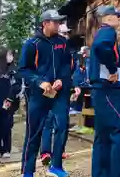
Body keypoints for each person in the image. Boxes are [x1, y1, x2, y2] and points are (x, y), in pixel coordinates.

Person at [18, 9, 73, 177]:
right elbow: (23, 70)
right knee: (34, 131)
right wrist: (39, 82)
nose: (58, 24)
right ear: (45, 23)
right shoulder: (32, 44)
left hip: (59, 93)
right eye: (55, 22)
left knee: (62, 126)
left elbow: (68, 65)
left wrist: (62, 79)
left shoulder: (63, 43)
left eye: (59, 22)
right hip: (38, 94)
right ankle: (27, 170)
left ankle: (56, 166)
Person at [89, 5, 120, 177]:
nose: (119, 20)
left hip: (100, 91)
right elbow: (101, 47)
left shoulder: (100, 32)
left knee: (102, 136)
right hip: (108, 90)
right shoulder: (107, 32)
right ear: (109, 18)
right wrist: (113, 68)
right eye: (117, 16)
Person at [40, 23, 78, 166]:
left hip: (64, 90)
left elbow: (71, 71)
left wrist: (74, 86)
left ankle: (59, 150)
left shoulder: (69, 51)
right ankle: (45, 152)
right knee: (48, 122)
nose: (65, 36)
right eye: (62, 33)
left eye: (66, 34)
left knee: (62, 123)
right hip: (49, 89)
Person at [0, 48, 22, 161]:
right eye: (9, 55)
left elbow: (18, 85)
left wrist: (12, 98)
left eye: (12, 55)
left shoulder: (14, 69)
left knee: (6, 126)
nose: (11, 57)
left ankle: (6, 149)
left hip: (9, 102)